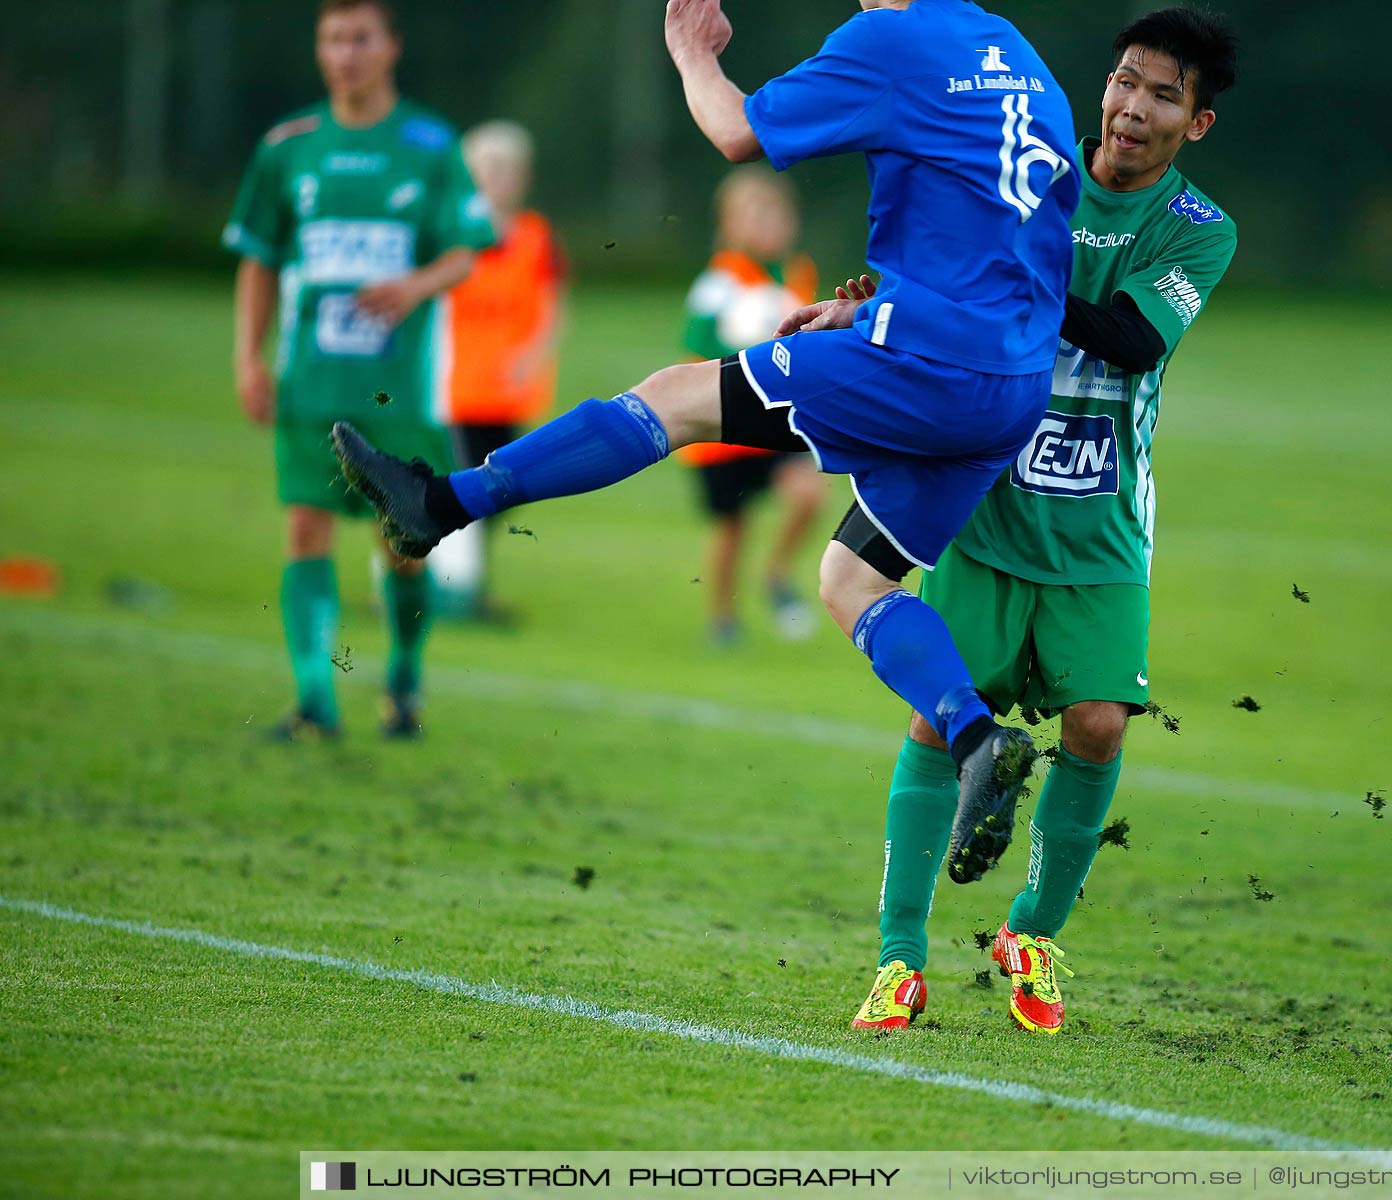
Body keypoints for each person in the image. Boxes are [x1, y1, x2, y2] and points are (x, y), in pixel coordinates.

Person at [332, 0, 1078, 862]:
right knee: (853, 580)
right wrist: (873, 306)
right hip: (1013, 385)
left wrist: (690, 54)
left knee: (676, 396)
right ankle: (978, 737)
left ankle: (439, 504)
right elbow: (1020, 234)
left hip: (930, 364)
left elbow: (733, 132)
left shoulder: (893, 36)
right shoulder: (1018, 53)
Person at [849, 7, 1239, 1034]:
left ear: (1195, 124)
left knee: (1101, 724)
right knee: (939, 717)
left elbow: (1127, 339)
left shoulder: (1199, 230)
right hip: (985, 501)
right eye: (1124, 81)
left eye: (1164, 94)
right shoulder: (1025, 174)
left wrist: (1011, 256)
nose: (1133, 107)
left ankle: (1033, 933)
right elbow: (933, 276)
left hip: (1101, 526)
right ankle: (898, 960)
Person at [225, 0, 494, 740]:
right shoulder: (288, 146)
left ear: (390, 48)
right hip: (309, 383)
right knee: (304, 530)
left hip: (401, 389)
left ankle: (403, 682)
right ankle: (316, 698)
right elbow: (258, 257)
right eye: (333, 38)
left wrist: (412, 286)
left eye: (360, 38)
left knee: (404, 545)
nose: (346, 53)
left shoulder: (430, 144)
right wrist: (248, 357)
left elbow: (466, 250)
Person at [679, 166, 829, 646]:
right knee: (731, 528)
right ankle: (722, 619)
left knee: (809, 496)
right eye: (754, 215)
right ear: (729, 224)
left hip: (778, 419)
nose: (767, 224)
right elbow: (698, 346)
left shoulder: (798, 273)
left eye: (775, 214)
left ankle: (777, 574)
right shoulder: (719, 282)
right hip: (724, 427)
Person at [431, 119, 567, 622]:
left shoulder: (534, 235)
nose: (496, 179)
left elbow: (550, 306)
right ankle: (448, 592)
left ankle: (465, 586)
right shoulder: (450, 232)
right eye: (486, 169)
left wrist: (534, 356)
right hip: (453, 386)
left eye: (506, 170)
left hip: (504, 390)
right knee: (454, 485)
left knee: (496, 493)